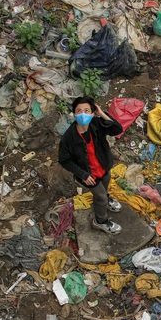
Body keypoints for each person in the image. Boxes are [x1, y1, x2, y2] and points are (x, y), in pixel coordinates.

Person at [59, 96, 124, 235]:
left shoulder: (97, 124)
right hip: (88, 174)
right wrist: (82, 174)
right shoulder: (68, 138)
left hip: (103, 166)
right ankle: (100, 221)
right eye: (79, 111)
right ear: (74, 114)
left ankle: (106, 200)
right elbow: (64, 160)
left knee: (105, 184)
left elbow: (117, 129)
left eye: (87, 110)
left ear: (92, 112)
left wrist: (101, 113)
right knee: (99, 196)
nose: (83, 114)